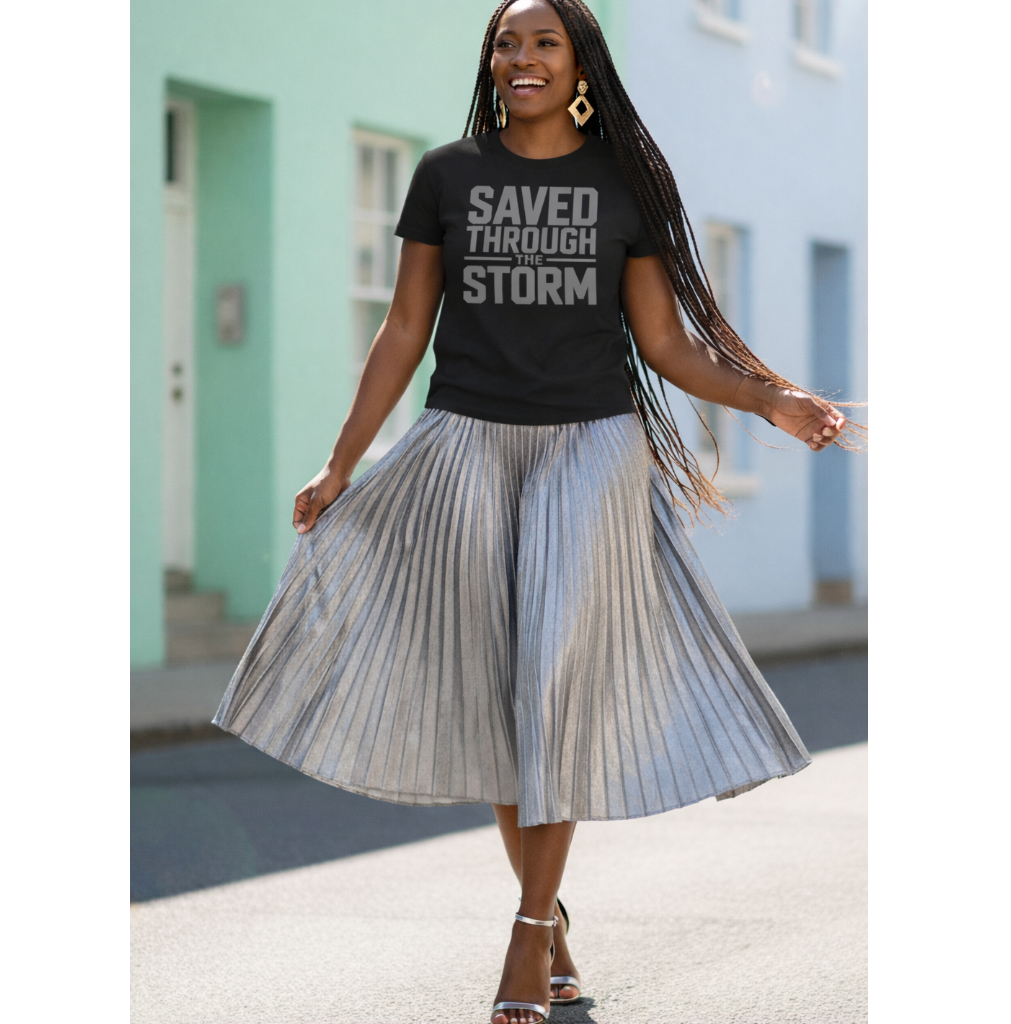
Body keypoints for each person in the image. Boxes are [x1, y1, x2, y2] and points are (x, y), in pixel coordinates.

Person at [215, 2, 859, 1021]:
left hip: (590, 454)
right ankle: (548, 912)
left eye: (543, 42)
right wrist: (340, 463)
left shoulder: (622, 186)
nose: (520, 58)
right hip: (465, 447)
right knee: (502, 696)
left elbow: (665, 344)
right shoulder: (446, 176)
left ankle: (525, 930)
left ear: (580, 65)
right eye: (505, 44)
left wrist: (768, 397)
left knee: (550, 685)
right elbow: (404, 327)